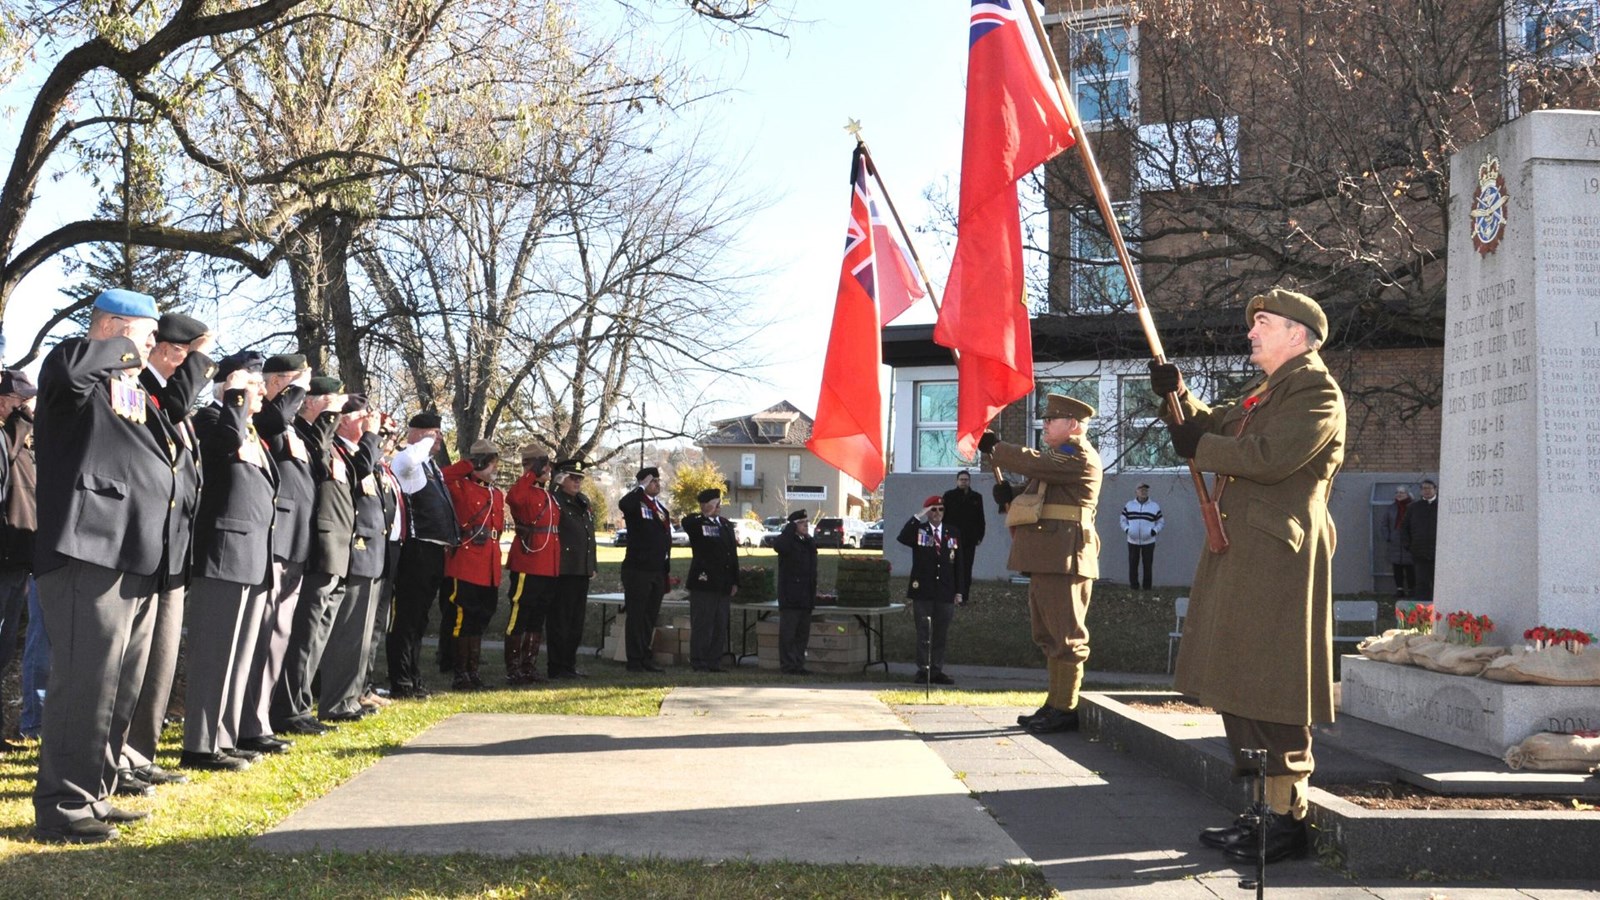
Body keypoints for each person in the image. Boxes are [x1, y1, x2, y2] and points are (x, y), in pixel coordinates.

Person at [1149, 287, 1346, 865]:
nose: (1252, 331)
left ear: (1298, 334)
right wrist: (1177, 395)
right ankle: (1262, 808)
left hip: (1277, 561)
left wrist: (1202, 444)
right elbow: (1217, 424)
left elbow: (1267, 456)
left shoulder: (1315, 391)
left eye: (1264, 322)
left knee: (1273, 685)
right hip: (1243, 555)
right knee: (1238, 681)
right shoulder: (1269, 391)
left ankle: (1287, 818)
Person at [32, 288, 213, 844]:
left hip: (135, 552)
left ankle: (95, 791)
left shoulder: (130, 392)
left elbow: (171, 416)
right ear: (112, 326)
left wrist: (197, 358)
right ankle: (63, 806)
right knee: (84, 682)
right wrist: (125, 347)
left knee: (117, 685)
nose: (155, 345)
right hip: (87, 549)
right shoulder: (75, 367)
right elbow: (71, 368)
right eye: (147, 332)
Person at [120, 312, 209, 790]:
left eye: (186, 354)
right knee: (132, 660)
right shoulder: (146, 391)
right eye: (178, 353)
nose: (183, 363)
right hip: (146, 542)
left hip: (173, 545)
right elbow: (169, 412)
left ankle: (140, 750)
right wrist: (197, 363)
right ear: (153, 347)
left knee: (161, 658)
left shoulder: (173, 397)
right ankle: (117, 753)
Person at [979, 392, 1102, 736]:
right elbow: (1041, 491)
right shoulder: (1059, 458)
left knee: (1067, 635)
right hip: (1050, 555)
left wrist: (997, 447)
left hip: (1065, 556)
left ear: (1073, 425)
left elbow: (1038, 464)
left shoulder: (1076, 452)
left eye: (1052, 419)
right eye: (1046, 418)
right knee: (1049, 633)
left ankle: (1065, 707)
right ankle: (1055, 703)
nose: (1045, 424)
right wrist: (1014, 495)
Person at [181, 352, 280, 772]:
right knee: (214, 652)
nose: (260, 394)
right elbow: (222, 446)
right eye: (254, 386)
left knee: (238, 654)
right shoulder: (211, 420)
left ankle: (223, 736)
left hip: (252, 552)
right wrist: (233, 399)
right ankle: (200, 745)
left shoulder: (252, 430)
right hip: (223, 552)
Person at [271, 374, 353, 736]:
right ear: (307, 402)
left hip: (333, 544)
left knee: (316, 633)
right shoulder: (302, 432)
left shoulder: (327, 439)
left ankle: (300, 704)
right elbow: (318, 462)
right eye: (328, 401)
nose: (336, 410)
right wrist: (328, 418)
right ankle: (290, 707)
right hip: (315, 544)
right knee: (303, 633)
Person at [244, 354, 316, 745]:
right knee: (262, 633)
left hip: (295, 538)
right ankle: (250, 721)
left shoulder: (287, 423)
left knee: (279, 634)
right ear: (274, 383)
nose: (299, 394)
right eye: (291, 384)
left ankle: (261, 719)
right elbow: (273, 421)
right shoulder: (262, 416)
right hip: (274, 537)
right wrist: (299, 388)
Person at [317, 395, 385, 721]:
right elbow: (359, 475)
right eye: (362, 417)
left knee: (361, 634)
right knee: (347, 633)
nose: (367, 423)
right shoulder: (340, 449)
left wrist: (374, 439)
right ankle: (337, 701)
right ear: (342, 420)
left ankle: (352, 697)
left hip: (372, 548)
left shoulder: (361, 451)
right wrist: (371, 438)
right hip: (354, 547)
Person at [385, 412, 457, 698]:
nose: (437, 439)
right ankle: (401, 681)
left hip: (435, 550)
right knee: (407, 618)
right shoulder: (410, 462)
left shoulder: (431, 467)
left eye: (439, 433)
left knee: (420, 620)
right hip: (417, 549)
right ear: (416, 434)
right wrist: (423, 442)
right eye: (432, 432)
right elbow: (406, 461)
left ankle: (413, 676)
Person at [441, 439, 505, 690]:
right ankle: (460, 673)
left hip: (488, 564)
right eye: (490, 464)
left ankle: (473, 671)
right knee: (462, 618)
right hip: (466, 562)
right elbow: (443, 477)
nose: (494, 469)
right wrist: (469, 463)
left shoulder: (496, 493)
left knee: (480, 617)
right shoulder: (461, 486)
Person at [0, 369, 38, 753]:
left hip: (18, 560)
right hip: (3, 558)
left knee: (5, 649)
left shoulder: (22, 443)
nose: (28, 407)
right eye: (20, 401)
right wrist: (21, 421)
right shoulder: (8, 437)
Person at [504, 448, 560, 684]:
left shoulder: (546, 494)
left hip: (547, 564)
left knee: (537, 618)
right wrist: (530, 473)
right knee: (521, 615)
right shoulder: (524, 490)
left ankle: (529, 666)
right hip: (529, 562)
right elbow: (514, 498)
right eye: (544, 466)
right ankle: (514, 668)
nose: (548, 470)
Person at [897, 494, 963, 685]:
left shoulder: (952, 532)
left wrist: (959, 591)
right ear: (927, 511)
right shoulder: (919, 530)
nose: (937, 513)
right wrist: (918, 516)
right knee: (924, 632)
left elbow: (958, 563)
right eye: (933, 509)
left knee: (940, 633)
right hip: (923, 590)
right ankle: (923, 670)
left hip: (945, 591)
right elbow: (902, 537)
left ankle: (936, 670)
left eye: (941, 510)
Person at [617, 466, 671, 673]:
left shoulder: (660, 508)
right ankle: (634, 659)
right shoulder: (635, 502)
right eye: (652, 481)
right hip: (638, 568)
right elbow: (624, 504)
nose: (657, 484)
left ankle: (645, 656)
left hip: (657, 569)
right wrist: (640, 487)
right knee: (637, 615)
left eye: (658, 481)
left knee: (650, 615)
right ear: (643, 483)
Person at [681, 488, 739, 673]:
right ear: (706, 505)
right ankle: (699, 660)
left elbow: (732, 555)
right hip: (704, 581)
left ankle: (714, 660)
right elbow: (687, 522)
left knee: (720, 624)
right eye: (715, 503)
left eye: (719, 503)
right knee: (703, 624)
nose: (718, 507)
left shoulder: (725, 525)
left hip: (723, 582)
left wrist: (735, 581)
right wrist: (704, 513)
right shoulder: (698, 523)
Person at [549, 458, 597, 679]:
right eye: (573, 478)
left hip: (581, 569)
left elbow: (589, 536)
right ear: (561, 479)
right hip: (564, 569)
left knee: (576, 621)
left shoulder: (582, 502)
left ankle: (569, 664)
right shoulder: (555, 501)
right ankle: (557, 665)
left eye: (580, 478)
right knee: (561, 619)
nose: (577, 482)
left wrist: (592, 564)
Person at [771, 509, 818, 675]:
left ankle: (799, 663)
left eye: (807, 522)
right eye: (802, 523)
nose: (806, 525)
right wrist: (790, 529)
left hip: (806, 595)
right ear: (793, 525)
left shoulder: (807, 542)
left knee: (802, 634)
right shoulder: (788, 541)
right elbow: (779, 546)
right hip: (791, 595)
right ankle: (788, 665)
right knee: (789, 634)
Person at [940, 470, 986, 603]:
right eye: (961, 479)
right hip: (952, 539)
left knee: (966, 568)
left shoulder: (976, 497)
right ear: (957, 481)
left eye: (966, 479)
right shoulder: (949, 496)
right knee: (951, 566)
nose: (963, 482)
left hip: (969, 539)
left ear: (969, 481)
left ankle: (964, 597)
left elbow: (980, 519)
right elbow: (943, 516)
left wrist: (979, 536)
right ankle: (950, 595)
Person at [1120, 483, 1163, 591]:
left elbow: (1161, 521)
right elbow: (1122, 520)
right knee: (1133, 564)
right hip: (1132, 540)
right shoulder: (1129, 505)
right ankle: (1134, 586)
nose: (1143, 491)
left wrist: (1154, 531)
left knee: (1147, 565)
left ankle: (1147, 587)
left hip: (1149, 541)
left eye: (1145, 490)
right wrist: (1127, 529)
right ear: (1136, 491)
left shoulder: (1154, 506)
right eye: (1141, 489)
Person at [1402, 479, 1438, 604]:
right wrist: (1409, 546)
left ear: (1435, 489)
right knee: (1421, 582)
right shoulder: (1413, 507)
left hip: (1438, 553)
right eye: (1423, 488)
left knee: (1438, 582)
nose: (1426, 491)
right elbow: (1405, 528)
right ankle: (1422, 610)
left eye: (1429, 488)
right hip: (1419, 552)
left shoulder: (1442, 506)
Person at [1382, 487, 1415, 599]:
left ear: (1408, 494)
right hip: (1395, 543)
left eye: (1402, 492)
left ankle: (1411, 590)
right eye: (1397, 492)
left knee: (1410, 568)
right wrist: (1388, 537)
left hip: (1410, 543)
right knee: (1397, 567)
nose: (1399, 494)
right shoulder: (1391, 508)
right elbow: (1384, 524)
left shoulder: (1413, 507)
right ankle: (1399, 589)